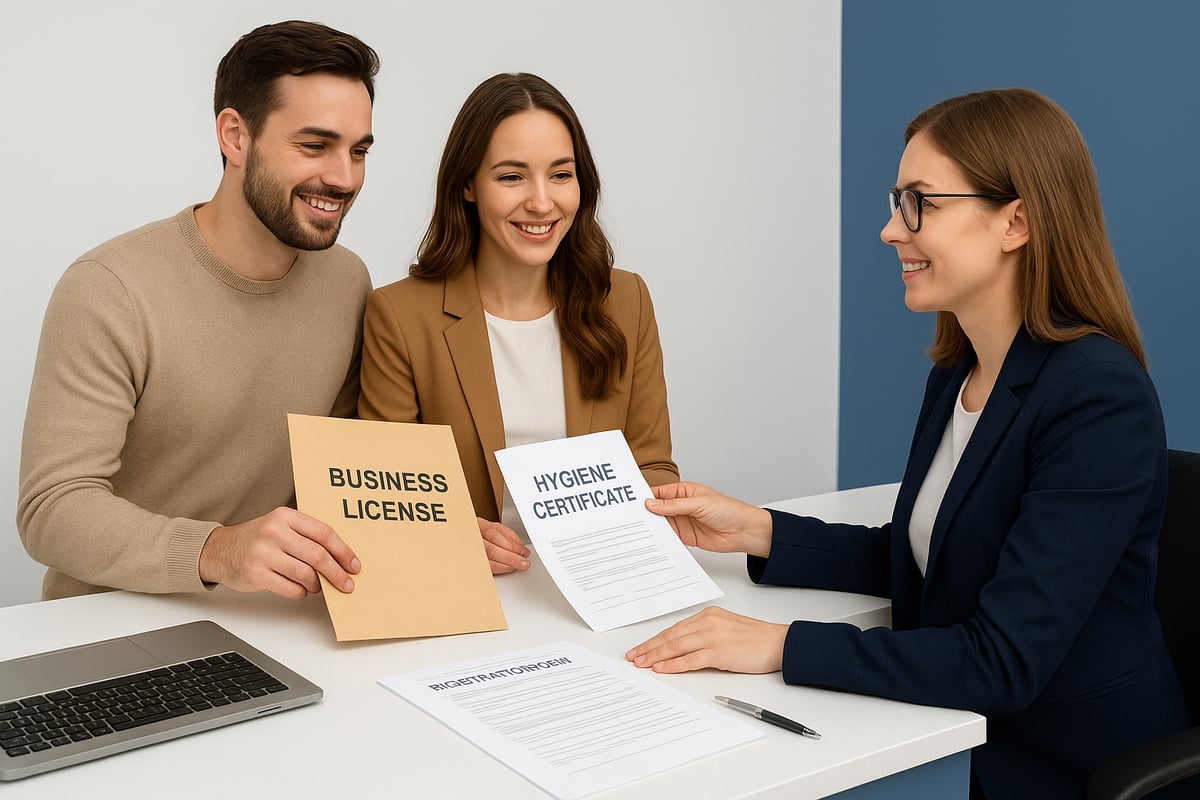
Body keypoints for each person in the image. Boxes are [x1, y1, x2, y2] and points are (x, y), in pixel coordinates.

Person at [625, 88, 1189, 799]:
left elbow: (1002, 662)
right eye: (898, 201)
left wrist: (778, 644)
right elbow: (931, 560)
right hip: (956, 735)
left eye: (920, 202)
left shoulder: (1098, 398)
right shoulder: (961, 371)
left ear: (1015, 221)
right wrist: (759, 531)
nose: (892, 229)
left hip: (1059, 768)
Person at [18, 21, 379, 602]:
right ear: (235, 137)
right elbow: (52, 510)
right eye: (314, 145)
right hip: (111, 623)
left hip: (271, 623)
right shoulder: (109, 289)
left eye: (358, 151)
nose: (343, 178)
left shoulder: (347, 282)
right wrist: (218, 549)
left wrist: (439, 535)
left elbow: (341, 480)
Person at [359, 72, 677, 575]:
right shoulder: (399, 316)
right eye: (511, 177)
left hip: (603, 580)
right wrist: (451, 538)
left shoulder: (627, 299)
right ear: (467, 184)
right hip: (473, 589)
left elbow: (651, 466)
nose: (541, 202)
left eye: (560, 174)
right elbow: (386, 499)